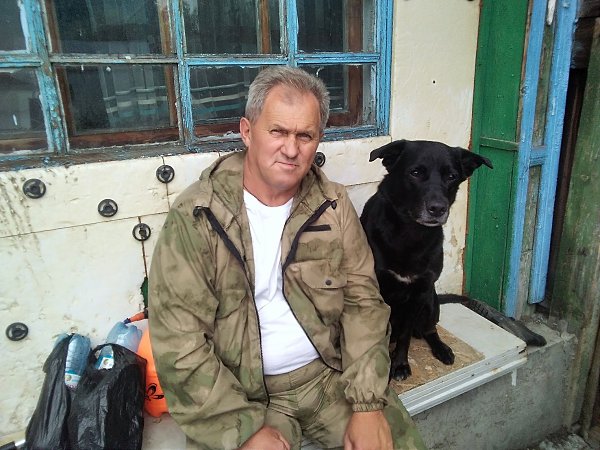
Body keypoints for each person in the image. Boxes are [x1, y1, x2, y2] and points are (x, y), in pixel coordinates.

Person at [149, 66, 426, 450]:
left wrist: (366, 404)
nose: (292, 150)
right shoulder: (198, 215)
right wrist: (240, 429)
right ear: (247, 131)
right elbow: (179, 339)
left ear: (318, 140)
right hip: (242, 393)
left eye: (305, 135)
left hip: (329, 377)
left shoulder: (332, 204)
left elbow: (363, 303)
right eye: (278, 131)